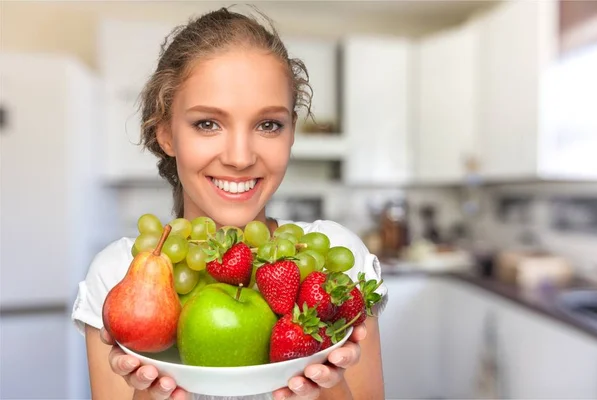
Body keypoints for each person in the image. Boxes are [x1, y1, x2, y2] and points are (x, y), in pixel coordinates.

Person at [71, 6, 388, 400]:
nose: (240, 157)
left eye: (268, 124)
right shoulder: (119, 276)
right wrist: (148, 395)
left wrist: (327, 386)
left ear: (291, 134)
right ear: (167, 134)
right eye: (207, 123)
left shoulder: (333, 267)